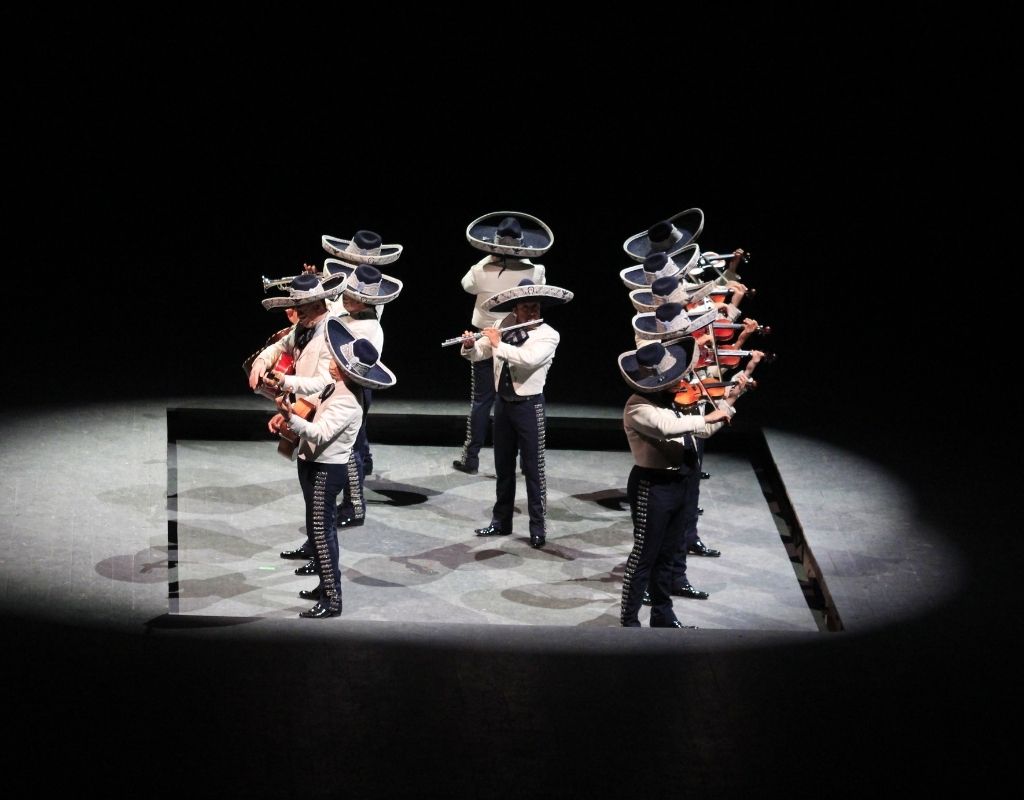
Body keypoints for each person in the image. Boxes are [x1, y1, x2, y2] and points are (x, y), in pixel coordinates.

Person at [618, 338, 752, 628]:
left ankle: (663, 616)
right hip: (652, 486)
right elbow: (667, 428)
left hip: (680, 482)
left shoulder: (679, 402)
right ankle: (629, 622)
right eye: (674, 379)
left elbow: (703, 432)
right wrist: (706, 416)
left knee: (668, 554)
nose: (682, 382)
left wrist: (731, 401)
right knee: (645, 555)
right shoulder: (637, 406)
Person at [272, 316, 397, 619]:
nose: (331, 358)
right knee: (318, 529)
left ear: (346, 370)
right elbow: (311, 383)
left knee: (323, 531)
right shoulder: (334, 382)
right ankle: (325, 587)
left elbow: (320, 433)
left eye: (337, 359)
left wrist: (290, 418)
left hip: (327, 472)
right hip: (313, 463)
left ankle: (333, 597)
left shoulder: (348, 403)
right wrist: (283, 381)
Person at [459, 278, 573, 548]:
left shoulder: (548, 334)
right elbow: (479, 355)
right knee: (503, 467)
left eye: (536, 307)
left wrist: (497, 343)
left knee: (533, 470)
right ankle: (501, 522)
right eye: (526, 308)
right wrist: (469, 345)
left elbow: (528, 359)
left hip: (529, 406)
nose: (532, 313)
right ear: (516, 309)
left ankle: (538, 528)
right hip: (503, 405)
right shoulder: (503, 326)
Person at [247, 271, 346, 576]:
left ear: (318, 303)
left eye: (302, 305)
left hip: (317, 411)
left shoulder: (329, 332)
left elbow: (322, 382)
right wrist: (261, 363)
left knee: (319, 501)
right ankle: (313, 547)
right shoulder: (304, 327)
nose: (296, 311)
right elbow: (281, 347)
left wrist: (285, 381)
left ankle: (322, 560)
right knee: (309, 492)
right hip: (301, 409)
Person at [453, 211, 551, 475]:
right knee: (516, 398)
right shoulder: (535, 268)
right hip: (518, 337)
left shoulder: (481, 269)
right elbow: (535, 289)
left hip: (488, 334)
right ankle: (518, 459)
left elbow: (466, 286)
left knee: (482, 400)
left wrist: (491, 256)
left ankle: (470, 457)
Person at [322, 229, 403, 478]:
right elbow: (335, 312)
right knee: (351, 436)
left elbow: (359, 358)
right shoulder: (349, 306)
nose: (346, 298)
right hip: (341, 379)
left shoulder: (370, 326)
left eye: (351, 296)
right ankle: (356, 479)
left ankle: (354, 503)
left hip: (354, 380)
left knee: (352, 442)